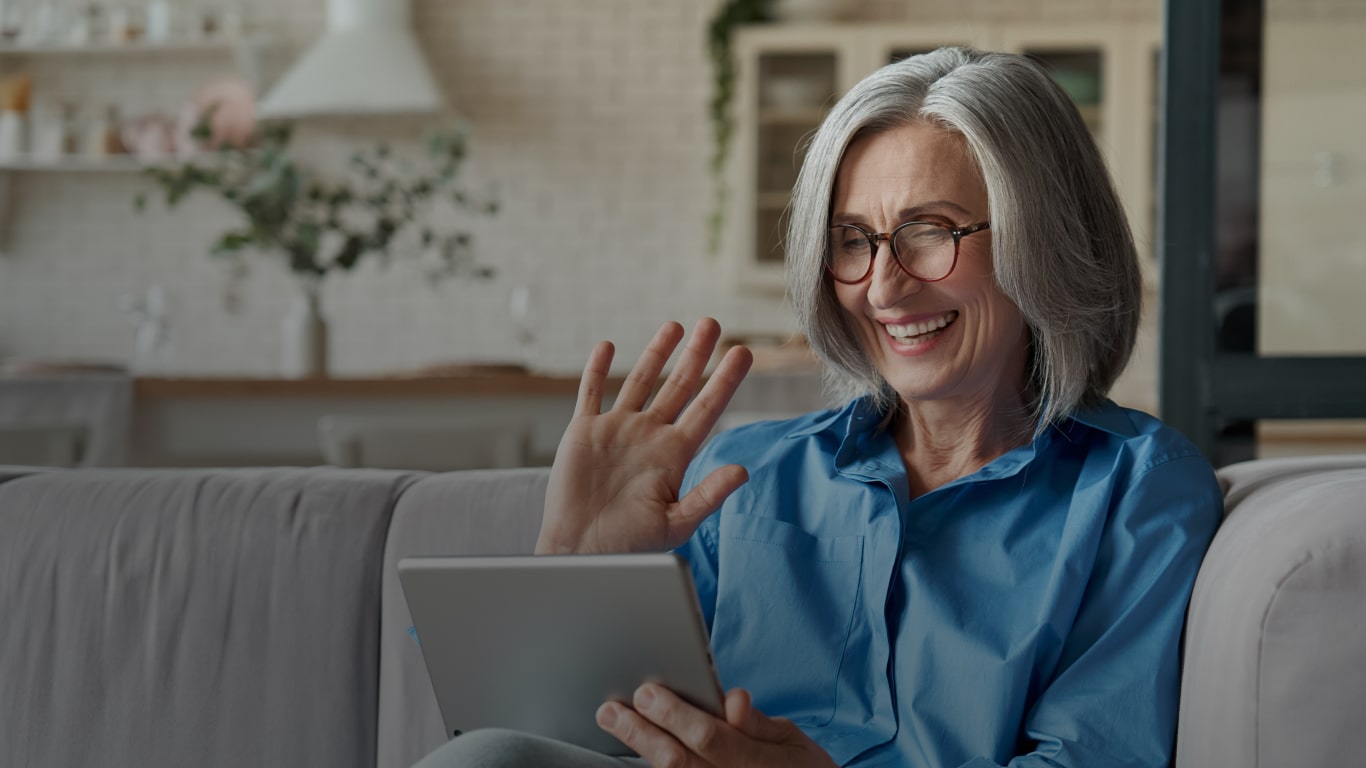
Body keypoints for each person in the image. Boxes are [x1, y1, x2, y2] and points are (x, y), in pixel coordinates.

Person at [414, 46, 1223, 768]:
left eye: (929, 231)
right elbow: (564, 737)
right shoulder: (748, 473)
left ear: (1040, 239)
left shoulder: (1134, 488)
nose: (883, 286)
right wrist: (572, 563)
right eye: (852, 240)